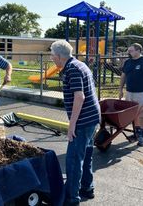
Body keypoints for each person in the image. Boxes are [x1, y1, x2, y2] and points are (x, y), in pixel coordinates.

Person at [50, 40, 101, 206]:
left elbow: (80, 97)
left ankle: (71, 198)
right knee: (85, 155)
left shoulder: (72, 69)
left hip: (83, 121)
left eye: (52, 55)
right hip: (92, 117)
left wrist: (72, 125)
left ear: (58, 56)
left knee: (73, 159)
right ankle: (87, 188)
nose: (51, 58)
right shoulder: (80, 64)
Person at [119, 43, 143, 146]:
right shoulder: (127, 62)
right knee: (133, 115)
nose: (129, 53)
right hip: (129, 93)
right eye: (129, 51)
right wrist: (120, 89)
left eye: (131, 51)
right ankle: (137, 134)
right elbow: (123, 76)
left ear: (138, 50)